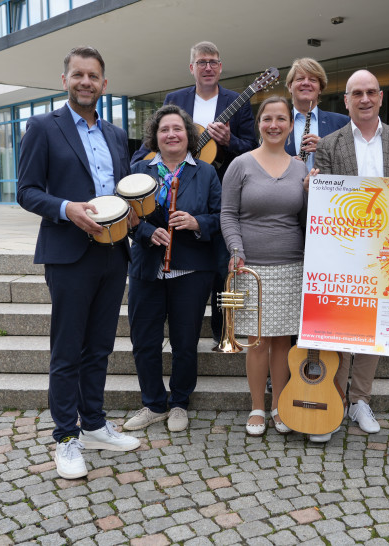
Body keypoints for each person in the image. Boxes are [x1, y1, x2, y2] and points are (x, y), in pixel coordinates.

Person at [17, 46, 140, 480]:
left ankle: (93, 424)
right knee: (67, 349)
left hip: (114, 251)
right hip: (69, 253)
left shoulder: (115, 134)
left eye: (94, 76)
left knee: (100, 346)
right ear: (65, 79)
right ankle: (66, 437)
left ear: (104, 84)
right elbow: (27, 191)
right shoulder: (42, 128)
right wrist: (68, 208)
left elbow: (122, 194)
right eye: (78, 75)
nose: (86, 82)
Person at [311, 70, 389, 443]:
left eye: (371, 92)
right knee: (340, 330)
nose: (365, 99)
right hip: (343, 251)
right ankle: (334, 401)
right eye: (356, 93)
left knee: (375, 332)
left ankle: (361, 400)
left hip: (388, 254)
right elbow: (321, 200)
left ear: (381, 97)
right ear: (345, 100)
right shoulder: (329, 143)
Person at [131, 41, 257, 344]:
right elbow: (153, 145)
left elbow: (252, 148)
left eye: (213, 61)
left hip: (220, 192)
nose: (208, 67)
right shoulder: (175, 99)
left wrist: (229, 141)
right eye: (202, 62)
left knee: (219, 264)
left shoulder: (236, 101)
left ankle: (221, 331)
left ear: (221, 67)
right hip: (171, 198)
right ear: (192, 68)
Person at [123, 104, 221, 434]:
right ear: (156, 135)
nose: (171, 134)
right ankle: (153, 403)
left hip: (191, 271)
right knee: (145, 341)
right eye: (164, 129)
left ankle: (179, 402)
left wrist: (197, 222)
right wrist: (148, 233)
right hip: (147, 269)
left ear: (188, 135)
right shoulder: (140, 170)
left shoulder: (205, 172)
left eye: (177, 129)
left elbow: (222, 216)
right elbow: (126, 216)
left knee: (184, 342)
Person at [221, 96, 307, 436]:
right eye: (267, 118)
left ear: (289, 124)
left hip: (291, 265)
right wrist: (236, 249)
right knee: (256, 342)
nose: (274, 125)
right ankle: (257, 406)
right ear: (259, 123)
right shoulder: (240, 164)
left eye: (281, 119)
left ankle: (279, 406)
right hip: (250, 266)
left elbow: (304, 218)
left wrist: (312, 192)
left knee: (283, 342)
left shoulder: (301, 168)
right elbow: (227, 213)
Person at [284, 57, 350, 168]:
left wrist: (326, 147)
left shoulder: (342, 122)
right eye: (300, 79)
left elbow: (353, 161)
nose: (306, 83)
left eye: (313, 80)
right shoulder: (277, 124)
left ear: (320, 89)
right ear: (290, 86)